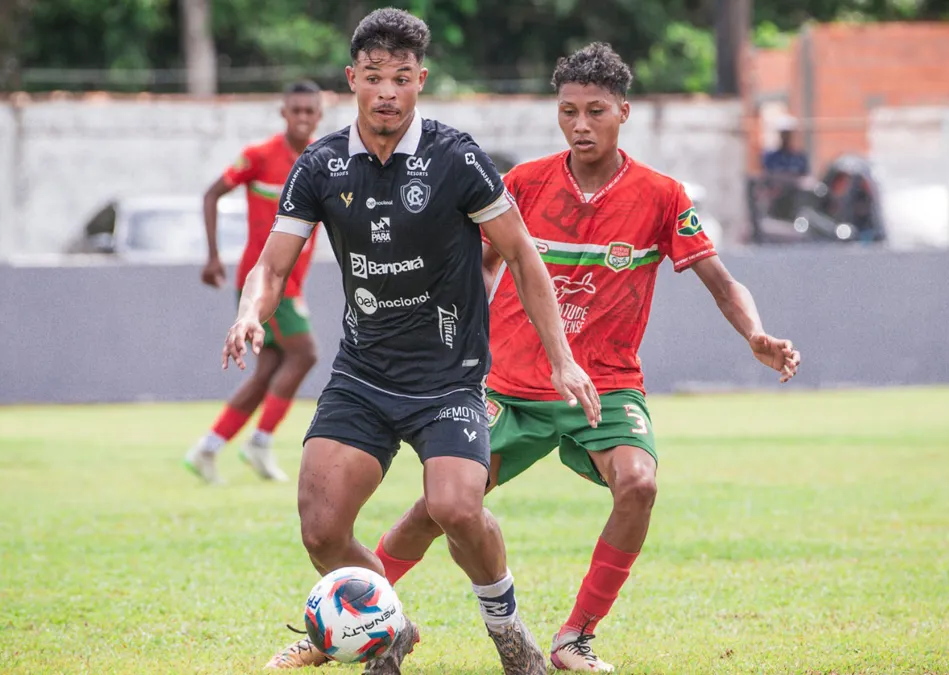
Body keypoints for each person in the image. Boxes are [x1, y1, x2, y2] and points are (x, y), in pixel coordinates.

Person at [361, 43, 801, 672]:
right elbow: (481, 268)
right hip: (511, 386)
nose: (580, 125)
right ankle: (349, 615)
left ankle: (575, 637)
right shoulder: (523, 184)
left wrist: (755, 333)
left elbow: (722, 281)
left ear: (624, 110)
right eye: (568, 111)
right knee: (434, 511)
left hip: (605, 387)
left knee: (639, 484)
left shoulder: (661, 196)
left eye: (595, 111)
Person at [227, 9, 600, 674]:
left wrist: (563, 358)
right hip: (363, 376)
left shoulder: (455, 158)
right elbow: (273, 261)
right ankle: (390, 628)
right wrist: (251, 310)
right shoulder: (320, 164)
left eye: (402, 77)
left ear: (420, 81)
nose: (388, 92)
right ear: (353, 81)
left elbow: (522, 256)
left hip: (449, 378)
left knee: (457, 505)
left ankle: (510, 633)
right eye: (375, 77)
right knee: (321, 528)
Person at [185, 81, 325, 484]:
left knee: (269, 371)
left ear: (319, 115)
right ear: (283, 113)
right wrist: (212, 256)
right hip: (265, 283)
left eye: (308, 111)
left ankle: (208, 448)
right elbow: (213, 194)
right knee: (305, 354)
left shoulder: (323, 159)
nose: (301, 117)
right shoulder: (259, 157)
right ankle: (260, 441)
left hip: (294, 280)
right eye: (294, 110)